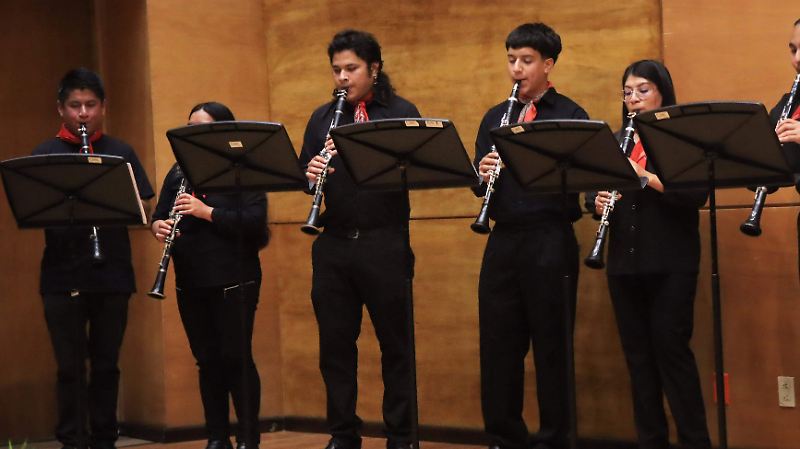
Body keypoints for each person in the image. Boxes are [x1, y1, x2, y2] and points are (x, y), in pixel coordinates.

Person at [299, 29, 420, 449]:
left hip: (384, 240)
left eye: (351, 69)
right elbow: (301, 174)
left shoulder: (401, 112)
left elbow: (416, 171)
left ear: (374, 69)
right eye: (336, 70)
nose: (342, 78)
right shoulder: (322, 118)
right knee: (335, 346)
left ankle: (402, 436)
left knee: (396, 346)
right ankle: (343, 434)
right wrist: (311, 173)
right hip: (333, 243)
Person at [473, 23, 588, 449]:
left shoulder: (570, 116)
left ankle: (555, 439)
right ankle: (505, 438)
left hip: (550, 238)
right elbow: (477, 181)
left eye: (525, 61)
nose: (516, 69)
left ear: (548, 64)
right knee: (498, 347)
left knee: (552, 348)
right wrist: (481, 173)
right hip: (503, 239)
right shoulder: (494, 117)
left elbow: (578, 177)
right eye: (511, 60)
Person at [589, 60, 711, 449]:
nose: (633, 99)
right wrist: (596, 199)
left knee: (671, 355)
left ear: (662, 93)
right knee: (638, 362)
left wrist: (644, 178)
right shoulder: (615, 140)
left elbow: (694, 195)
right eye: (628, 91)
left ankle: (695, 442)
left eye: (643, 90)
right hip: (625, 263)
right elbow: (589, 189)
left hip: (671, 264)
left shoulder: (680, 138)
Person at [32, 67, 154, 449]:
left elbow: (143, 206)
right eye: (74, 106)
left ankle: (105, 439)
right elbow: (33, 209)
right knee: (69, 367)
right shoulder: (45, 155)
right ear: (61, 109)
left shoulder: (120, 152)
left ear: (102, 107)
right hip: (61, 274)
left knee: (106, 364)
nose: (83, 114)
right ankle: (71, 440)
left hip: (111, 273)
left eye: (90, 105)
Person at [150, 102, 269, 449]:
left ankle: (248, 437)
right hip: (191, 278)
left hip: (235, 278)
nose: (193, 135)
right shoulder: (178, 171)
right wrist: (158, 225)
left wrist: (207, 212)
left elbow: (255, 226)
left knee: (236, 359)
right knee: (207, 362)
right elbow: (158, 215)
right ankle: (217, 437)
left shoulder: (242, 169)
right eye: (189, 128)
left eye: (201, 128)